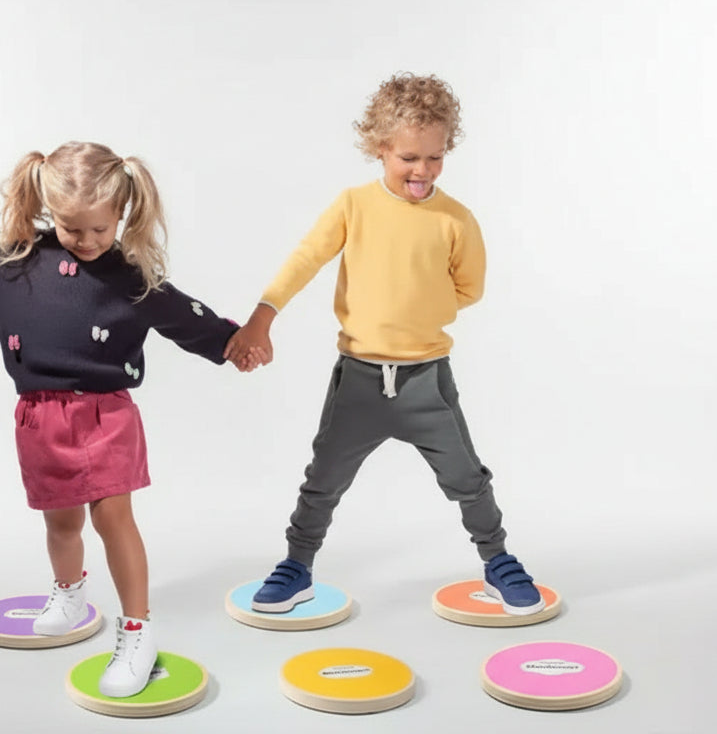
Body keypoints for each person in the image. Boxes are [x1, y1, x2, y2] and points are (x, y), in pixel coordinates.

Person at [0, 141, 264, 697]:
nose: (90, 241)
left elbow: (186, 318)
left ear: (121, 213)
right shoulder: (12, 267)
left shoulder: (132, 279)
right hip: (39, 417)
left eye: (101, 229)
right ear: (51, 213)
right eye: (75, 230)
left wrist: (233, 345)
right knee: (61, 523)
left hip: (107, 413)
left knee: (113, 516)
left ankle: (138, 629)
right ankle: (69, 590)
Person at [224, 73, 543, 617]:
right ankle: (297, 565)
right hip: (360, 380)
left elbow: (471, 288)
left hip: (426, 379)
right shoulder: (353, 206)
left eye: (435, 158)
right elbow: (305, 260)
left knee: (468, 478)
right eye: (409, 158)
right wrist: (262, 315)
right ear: (380, 148)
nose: (423, 171)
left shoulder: (456, 220)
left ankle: (498, 561)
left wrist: (416, 307)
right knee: (322, 478)